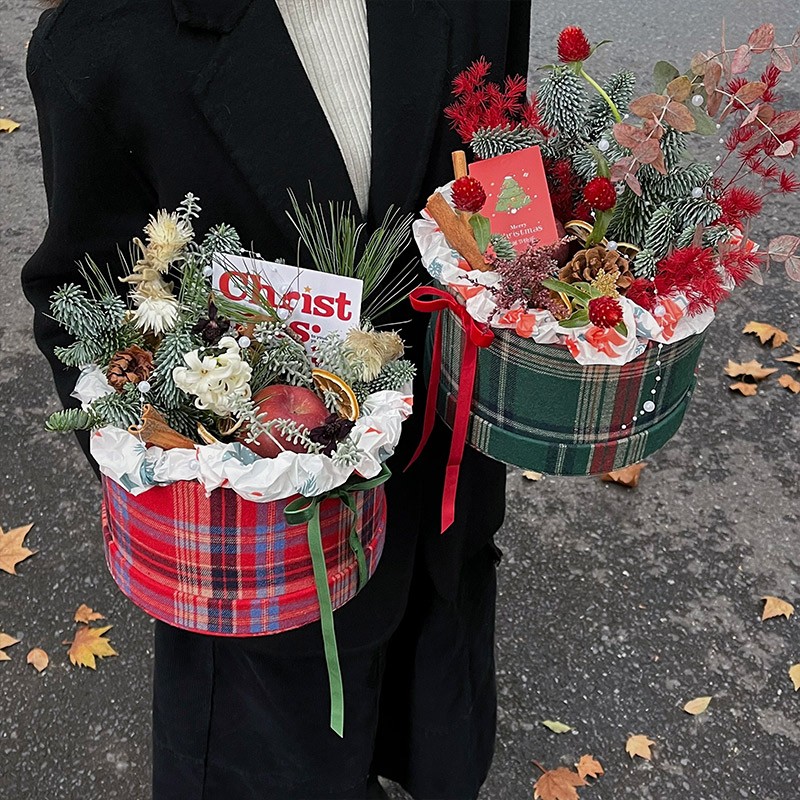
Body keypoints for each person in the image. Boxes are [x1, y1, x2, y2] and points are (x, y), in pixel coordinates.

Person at [22, 1, 531, 798]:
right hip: (268, 562)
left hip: (445, 498)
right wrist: (177, 454)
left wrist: (556, 313)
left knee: (436, 730)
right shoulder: (106, 43)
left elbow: (501, 156)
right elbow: (83, 300)